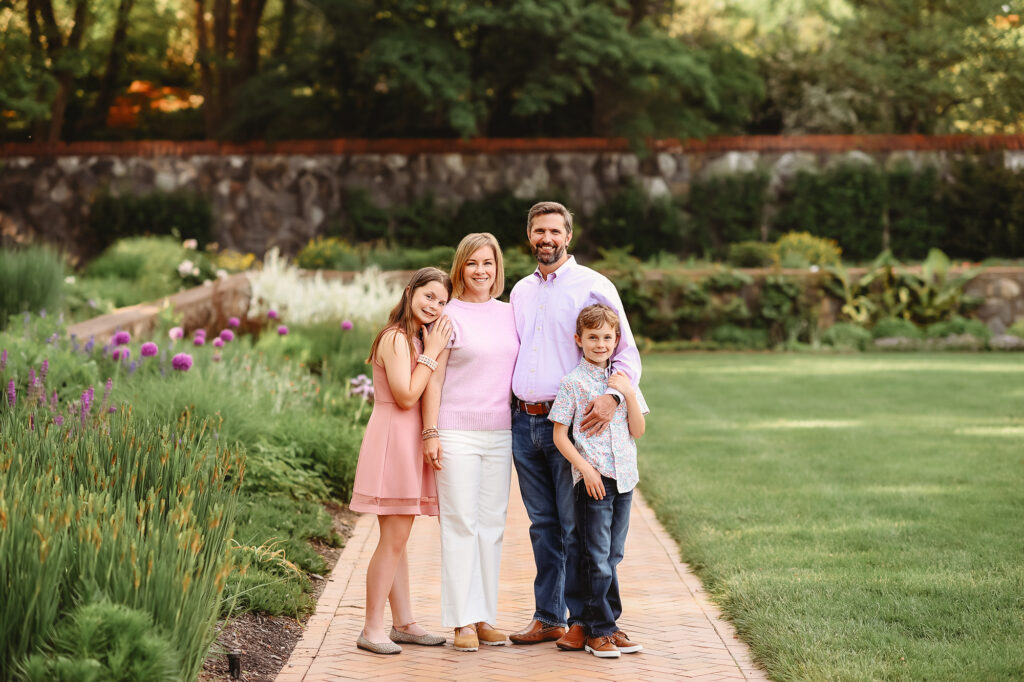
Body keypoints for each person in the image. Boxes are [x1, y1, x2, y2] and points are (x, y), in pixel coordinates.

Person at [507, 201, 642, 651]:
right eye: (539, 231)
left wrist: (613, 396)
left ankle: (589, 620)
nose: (547, 238)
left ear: (568, 236)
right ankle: (549, 617)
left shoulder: (593, 285)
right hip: (524, 421)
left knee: (578, 529)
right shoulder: (522, 290)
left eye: (554, 231)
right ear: (530, 236)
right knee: (542, 526)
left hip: (573, 427)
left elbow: (625, 352)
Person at [421, 232, 520, 652]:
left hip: (500, 433)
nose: (481, 271)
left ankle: (483, 618)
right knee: (461, 524)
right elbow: (435, 377)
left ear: (498, 268)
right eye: (473, 263)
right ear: (460, 267)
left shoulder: (511, 312)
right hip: (455, 432)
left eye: (488, 263)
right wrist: (431, 432)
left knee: (492, 526)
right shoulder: (448, 316)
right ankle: (461, 622)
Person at [350, 267, 454, 655]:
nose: (434, 306)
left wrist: (430, 350)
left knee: (399, 538)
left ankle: (404, 622)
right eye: (428, 296)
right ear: (410, 292)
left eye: (442, 302)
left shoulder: (418, 338)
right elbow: (406, 396)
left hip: (409, 440)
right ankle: (371, 627)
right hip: (392, 440)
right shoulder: (394, 338)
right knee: (393, 538)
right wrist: (431, 354)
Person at [549, 304, 648, 658]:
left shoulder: (623, 382)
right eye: (593, 337)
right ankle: (599, 631)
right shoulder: (572, 383)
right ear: (579, 340)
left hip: (624, 480)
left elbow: (638, 429)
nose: (601, 343)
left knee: (612, 555)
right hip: (593, 481)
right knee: (596, 557)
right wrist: (585, 469)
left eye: (607, 337)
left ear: (617, 339)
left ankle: (607, 625)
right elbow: (560, 435)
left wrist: (629, 394)